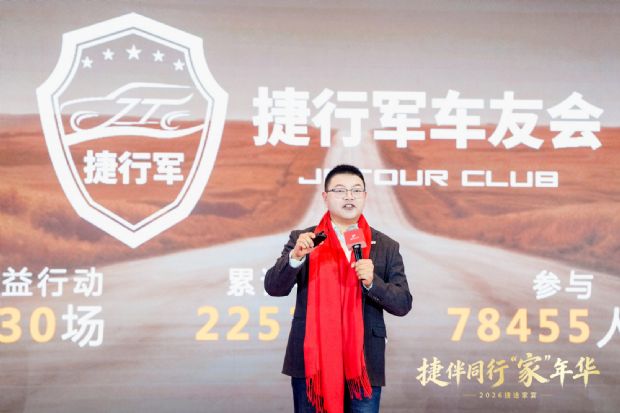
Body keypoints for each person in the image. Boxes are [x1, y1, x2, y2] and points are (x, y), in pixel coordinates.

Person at [265, 164, 412, 413]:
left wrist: (373, 282)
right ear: (325, 197)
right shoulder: (305, 239)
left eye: (356, 190)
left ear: (365, 196)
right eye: (340, 190)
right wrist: (295, 258)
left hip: (363, 363)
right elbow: (274, 287)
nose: (349, 196)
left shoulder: (386, 246)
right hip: (313, 361)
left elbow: (403, 304)